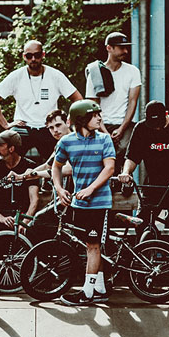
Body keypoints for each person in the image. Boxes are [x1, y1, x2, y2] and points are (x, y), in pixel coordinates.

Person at [52, 99, 116, 306]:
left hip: (100, 203)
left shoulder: (105, 140)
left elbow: (109, 169)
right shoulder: (67, 142)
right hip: (79, 204)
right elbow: (56, 167)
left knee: (93, 246)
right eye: (94, 115)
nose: (99, 118)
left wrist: (90, 189)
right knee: (91, 246)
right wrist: (60, 189)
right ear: (82, 119)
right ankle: (100, 288)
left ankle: (87, 293)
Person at [120, 100, 169, 261]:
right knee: (141, 223)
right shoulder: (141, 129)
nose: (156, 128)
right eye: (152, 124)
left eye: (159, 124)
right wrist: (126, 172)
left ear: (166, 114)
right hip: (154, 187)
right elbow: (132, 157)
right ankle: (145, 264)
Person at [0, 40, 82, 160]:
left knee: (58, 160)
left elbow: (78, 99)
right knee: (7, 151)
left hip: (48, 127)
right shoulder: (17, 76)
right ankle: (12, 177)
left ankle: (53, 178)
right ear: (24, 57)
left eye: (37, 55)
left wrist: (68, 121)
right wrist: (6, 125)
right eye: (29, 56)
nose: (33, 59)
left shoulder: (55, 75)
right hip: (24, 127)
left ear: (43, 55)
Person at [85, 32, 142, 160]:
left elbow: (133, 102)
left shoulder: (132, 71)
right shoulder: (95, 72)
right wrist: (104, 131)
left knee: (124, 151)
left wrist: (122, 128)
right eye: (121, 48)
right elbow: (92, 105)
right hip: (100, 123)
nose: (125, 51)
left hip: (124, 123)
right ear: (109, 48)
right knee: (101, 154)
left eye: (126, 47)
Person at [0, 130, 40, 242]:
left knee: (33, 227)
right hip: (1, 216)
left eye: (0, 145)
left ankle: (30, 259)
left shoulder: (29, 166)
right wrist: (2, 218)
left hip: (23, 216)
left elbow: (34, 199)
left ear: (11, 149)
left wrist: (25, 222)